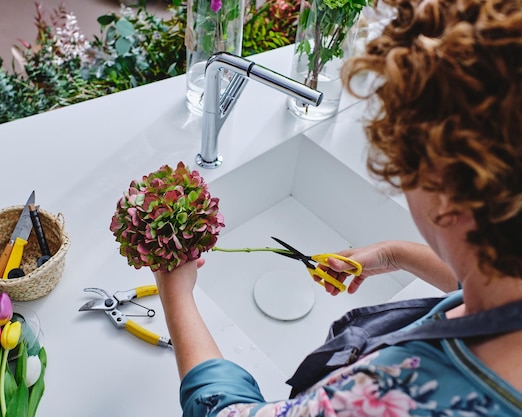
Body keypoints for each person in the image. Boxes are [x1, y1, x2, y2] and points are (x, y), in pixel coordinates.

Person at [153, 0, 522, 414]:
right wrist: (393, 255)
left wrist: (175, 295)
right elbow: (487, 285)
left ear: (446, 192)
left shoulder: (400, 394)